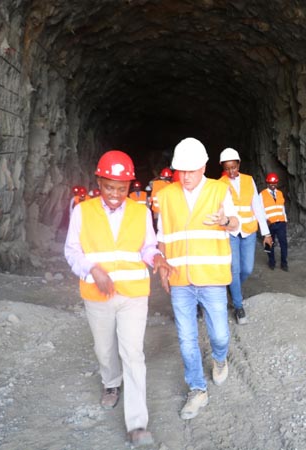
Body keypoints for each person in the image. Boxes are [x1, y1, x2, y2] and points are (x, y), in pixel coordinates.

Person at [64, 150, 169, 446]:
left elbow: (147, 247)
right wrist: (92, 269)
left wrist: (157, 258)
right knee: (104, 348)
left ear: (129, 186)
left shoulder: (140, 211)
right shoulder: (82, 211)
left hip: (133, 294)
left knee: (133, 354)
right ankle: (111, 383)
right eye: (109, 187)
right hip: (97, 294)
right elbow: (72, 250)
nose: (115, 194)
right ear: (99, 182)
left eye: (121, 189)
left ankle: (137, 424)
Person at [156, 137, 239, 420]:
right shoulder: (167, 195)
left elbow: (236, 223)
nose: (186, 176)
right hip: (180, 279)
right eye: (182, 171)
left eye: (191, 170)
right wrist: (163, 267)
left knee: (219, 335)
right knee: (186, 339)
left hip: (212, 277)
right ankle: (197, 389)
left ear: (203, 167)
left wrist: (224, 221)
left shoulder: (219, 190)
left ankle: (219, 358)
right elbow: (163, 235)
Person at [219, 148, 272, 325]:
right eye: (227, 168)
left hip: (248, 231)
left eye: (234, 167)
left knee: (247, 269)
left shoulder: (249, 180)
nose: (231, 171)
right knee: (234, 269)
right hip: (231, 232)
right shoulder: (220, 184)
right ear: (223, 168)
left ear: (239, 164)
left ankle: (232, 287)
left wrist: (266, 233)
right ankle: (238, 305)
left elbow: (257, 206)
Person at [259, 172, 288, 271]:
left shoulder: (279, 193)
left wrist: (285, 219)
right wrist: (265, 220)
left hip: (280, 222)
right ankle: (271, 262)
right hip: (269, 223)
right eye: (271, 183)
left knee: (283, 243)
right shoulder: (262, 194)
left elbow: (282, 207)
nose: (273, 185)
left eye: (274, 183)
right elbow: (260, 210)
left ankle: (284, 263)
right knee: (268, 243)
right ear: (267, 183)